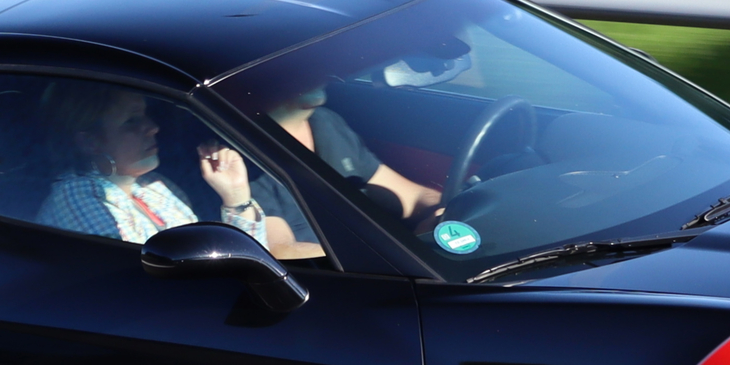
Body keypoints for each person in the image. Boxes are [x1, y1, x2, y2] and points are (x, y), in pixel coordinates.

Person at [35, 82, 296, 248]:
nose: (152, 127)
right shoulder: (77, 199)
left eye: (145, 116)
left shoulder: (154, 186)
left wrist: (236, 197)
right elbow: (147, 287)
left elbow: (247, 259)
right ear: (90, 142)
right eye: (131, 122)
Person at [264, 85, 441, 221]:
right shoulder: (245, 148)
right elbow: (282, 248)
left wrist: (445, 210)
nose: (316, 73)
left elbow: (410, 195)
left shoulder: (326, 122)